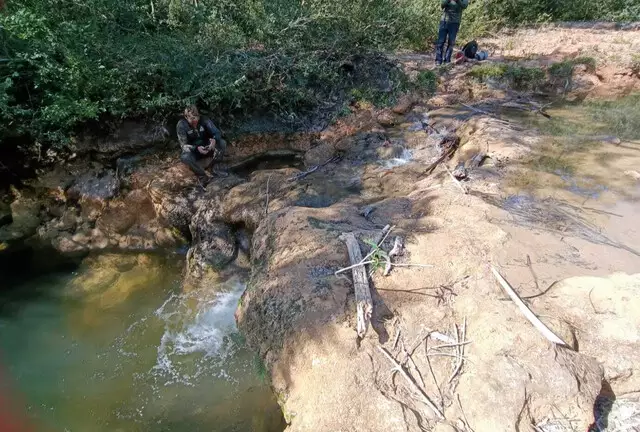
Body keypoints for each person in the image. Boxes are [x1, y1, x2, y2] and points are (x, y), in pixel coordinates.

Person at [177, 105, 228, 181]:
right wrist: (196, 148)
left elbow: (217, 132)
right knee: (185, 157)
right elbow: (184, 146)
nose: (195, 120)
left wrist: (214, 140)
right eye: (192, 118)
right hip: (195, 151)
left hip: (208, 147)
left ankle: (215, 166)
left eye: (196, 117)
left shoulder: (204, 120)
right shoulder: (181, 125)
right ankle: (202, 175)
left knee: (222, 143)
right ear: (186, 117)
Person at [436, 0, 469, 65]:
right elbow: (442, 5)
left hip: (455, 22)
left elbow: (464, 6)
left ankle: (447, 60)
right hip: (444, 21)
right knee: (440, 42)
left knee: (451, 42)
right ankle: (438, 60)